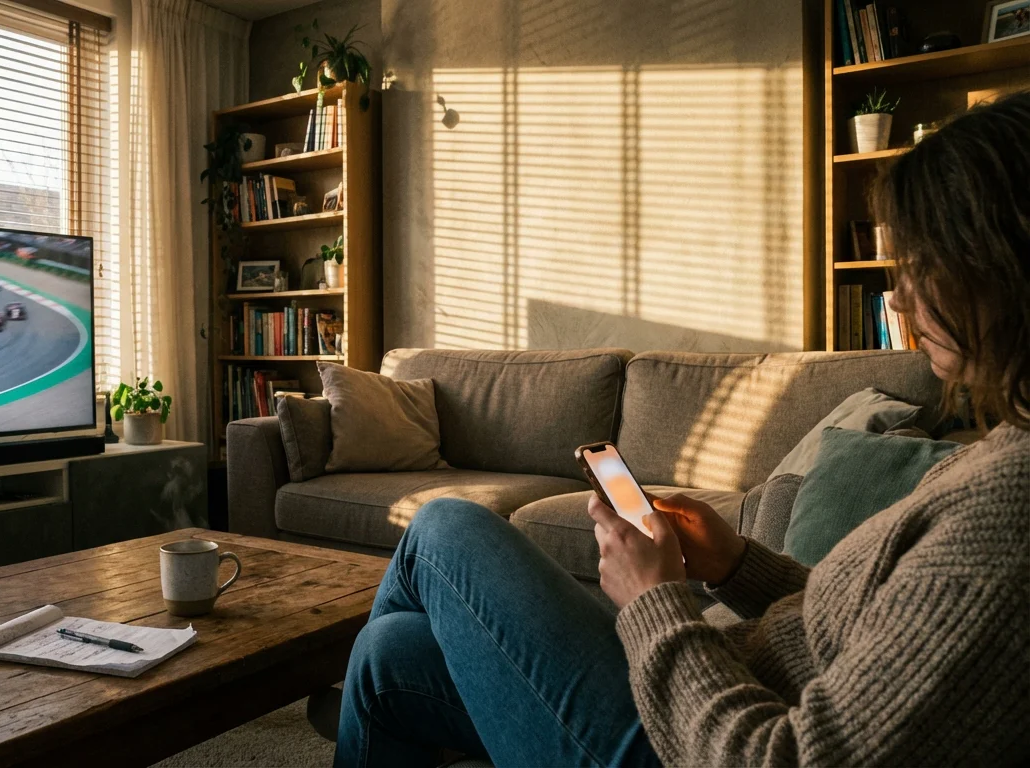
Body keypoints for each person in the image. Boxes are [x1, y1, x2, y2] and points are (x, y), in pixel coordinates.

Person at [335, 92, 1030, 767]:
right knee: (389, 651)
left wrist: (654, 602)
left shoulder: (1007, 521)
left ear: (1002, 267)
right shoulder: (1000, 456)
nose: (902, 297)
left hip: (685, 738)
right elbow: (859, 619)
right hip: (725, 687)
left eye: (923, 268)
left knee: (444, 529)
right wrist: (735, 564)